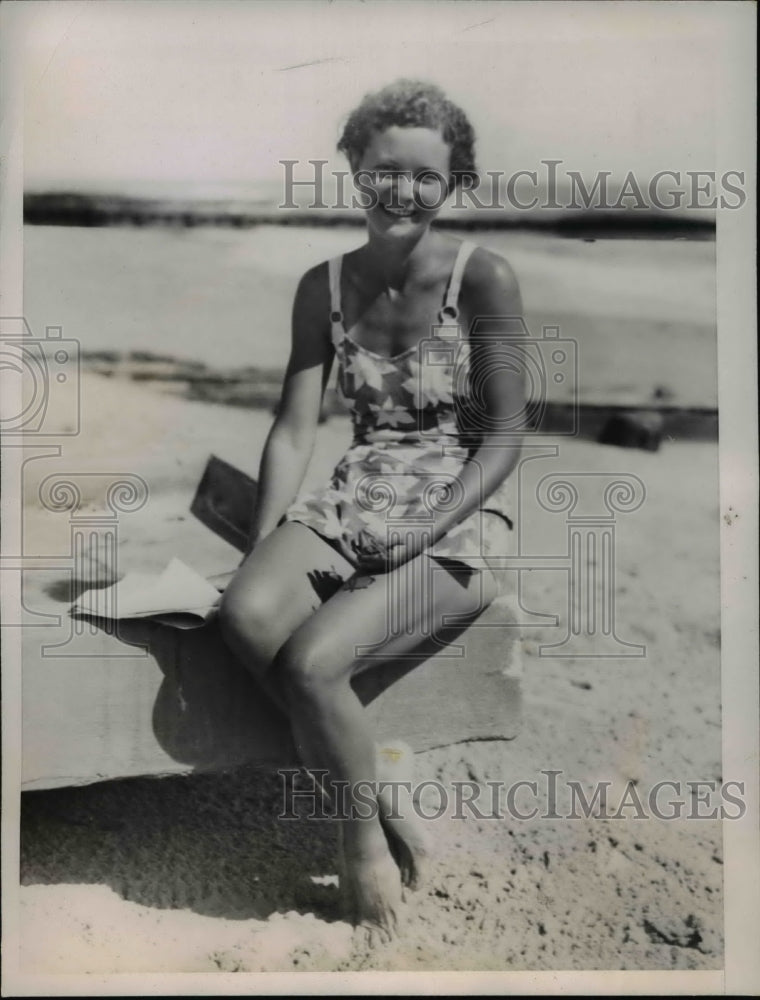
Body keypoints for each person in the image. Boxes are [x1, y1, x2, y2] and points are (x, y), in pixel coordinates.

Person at [219, 78, 525, 942]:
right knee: (242, 613)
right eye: (385, 169)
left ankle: (362, 846)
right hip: (353, 494)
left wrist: (423, 529)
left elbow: (503, 437)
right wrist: (268, 536)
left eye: (425, 177)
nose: (403, 191)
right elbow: (292, 428)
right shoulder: (320, 284)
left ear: (451, 184)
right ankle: (380, 779)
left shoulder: (484, 278)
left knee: (313, 664)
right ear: (354, 167)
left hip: (455, 513)